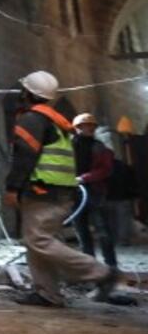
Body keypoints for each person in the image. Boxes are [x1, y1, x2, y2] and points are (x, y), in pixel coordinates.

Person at [3, 71, 120, 307]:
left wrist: (12, 188)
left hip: (44, 191)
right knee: (37, 242)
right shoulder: (56, 121)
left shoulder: (32, 120)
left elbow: (25, 156)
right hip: (60, 191)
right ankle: (47, 293)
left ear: (27, 93)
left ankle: (102, 273)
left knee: (38, 240)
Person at [72, 113, 118, 267]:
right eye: (87, 126)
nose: (90, 128)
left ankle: (111, 266)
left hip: (95, 192)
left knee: (103, 230)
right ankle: (89, 266)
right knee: (81, 231)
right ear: (77, 128)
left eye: (92, 126)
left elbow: (105, 169)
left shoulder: (100, 147)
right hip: (75, 193)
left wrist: (84, 178)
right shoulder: (69, 146)